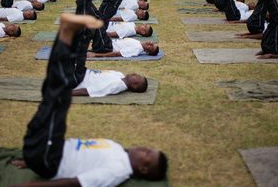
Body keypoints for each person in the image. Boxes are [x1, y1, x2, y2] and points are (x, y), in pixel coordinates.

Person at [11, 13, 168, 186]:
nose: (144, 148)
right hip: (51, 149)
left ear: (143, 169)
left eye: (147, 154)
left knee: (54, 100)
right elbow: (81, 152)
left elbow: (76, 183)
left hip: (49, 159)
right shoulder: (118, 150)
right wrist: (30, 163)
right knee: (52, 101)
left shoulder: (118, 171)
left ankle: (69, 27)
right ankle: (73, 21)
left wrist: (33, 185)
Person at [72, 69, 148, 97]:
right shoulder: (120, 75)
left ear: (134, 85)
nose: (134, 73)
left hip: (76, 79)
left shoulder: (116, 85)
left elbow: (89, 91)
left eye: (137, 76)